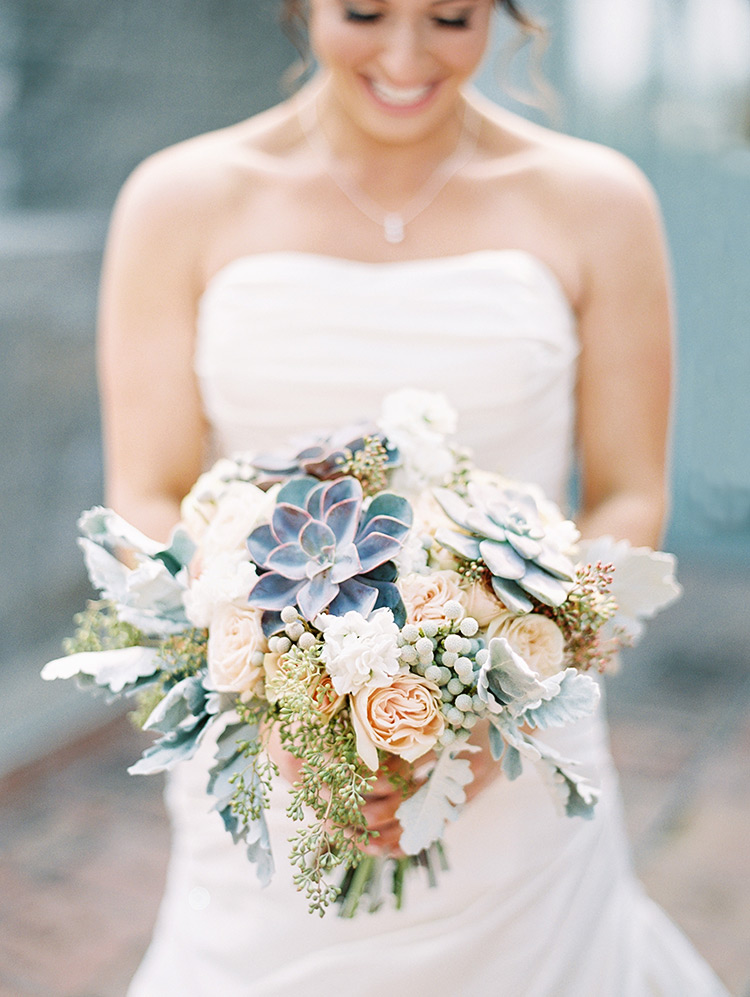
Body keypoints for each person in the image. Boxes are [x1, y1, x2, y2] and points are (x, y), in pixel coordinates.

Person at [98, 1, 728, 993]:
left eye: (450, 17)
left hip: (516, 756)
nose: (405, 55)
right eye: (364, 11)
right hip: (268, 752)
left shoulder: (598, 202)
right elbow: (148, 489)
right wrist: (280, 706)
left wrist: (499, 706)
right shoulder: (179, 200)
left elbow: (627, 497)